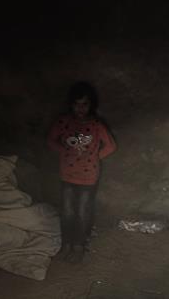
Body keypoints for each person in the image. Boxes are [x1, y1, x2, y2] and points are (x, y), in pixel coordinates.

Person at [46, 81, 117, 263]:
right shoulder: (63, 122)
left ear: (91, 105)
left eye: (84, 104)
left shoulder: (96, 125)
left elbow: (111, 146)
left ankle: (78, 246)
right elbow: (51, 140)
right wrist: (64, 151)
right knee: (67, 211)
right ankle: (66, 244)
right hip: (67, 175)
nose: (80, 108)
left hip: (88, 176)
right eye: (76, 104)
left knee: (83, 211)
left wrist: (94, 157)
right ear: (71, 104)